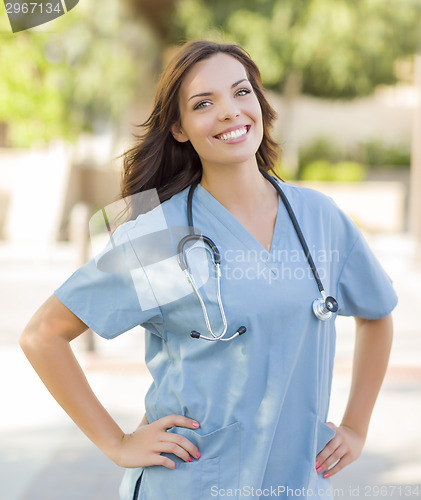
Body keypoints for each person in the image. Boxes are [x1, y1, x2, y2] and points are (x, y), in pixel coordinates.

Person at [20, 40, 397, 500]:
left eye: (242, 92)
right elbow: (43, 335)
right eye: (204, 103)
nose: (229, 112)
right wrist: (116, 443)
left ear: (259, 103)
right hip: (191, 485)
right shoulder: (161, 235)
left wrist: (356, 427)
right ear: (179, 129)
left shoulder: (319, 218)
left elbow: (376, 314)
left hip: (296, 484)